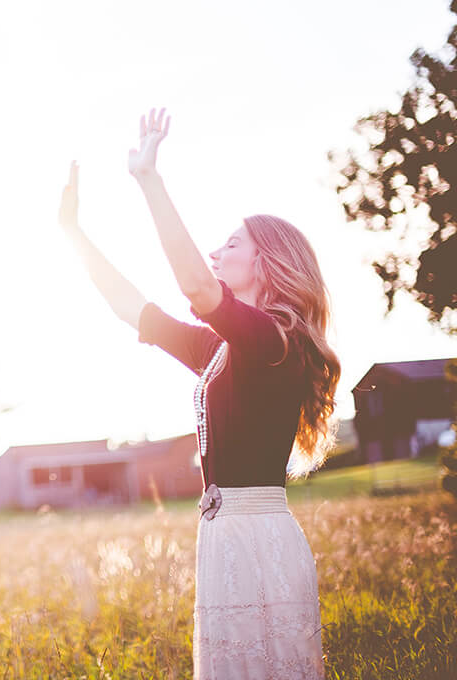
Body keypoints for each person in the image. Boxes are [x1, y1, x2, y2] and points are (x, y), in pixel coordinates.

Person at [57, 108, 339, 679]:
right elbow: (133, 308)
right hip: (223, 538)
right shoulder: (222, 347)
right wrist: (74, 235)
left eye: (230, 244)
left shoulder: (277, 340)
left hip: (260, 540)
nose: (216, 253)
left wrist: (149, 180)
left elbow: (194, 285)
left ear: (268, 261)